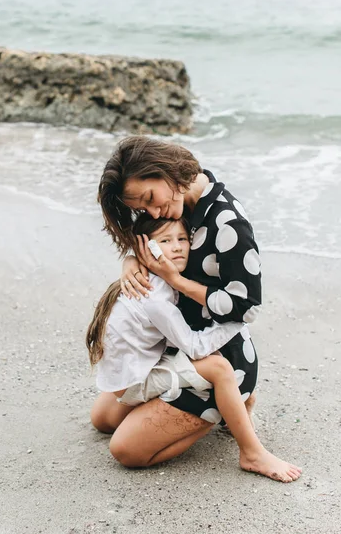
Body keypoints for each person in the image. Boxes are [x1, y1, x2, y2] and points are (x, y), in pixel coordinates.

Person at [92, 135, 300, 479]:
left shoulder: (228, 222)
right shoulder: (182, 200)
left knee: (125, 450)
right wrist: (130, 261)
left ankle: (236, 424)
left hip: (218, 359)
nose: (153, 212)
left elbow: (246, 308)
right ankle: (229, 410)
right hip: (173, 347)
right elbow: (151, 242)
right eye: (143, 209)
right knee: (102, 420)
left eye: (150, 199)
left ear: (165, 171)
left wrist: (177, 282)